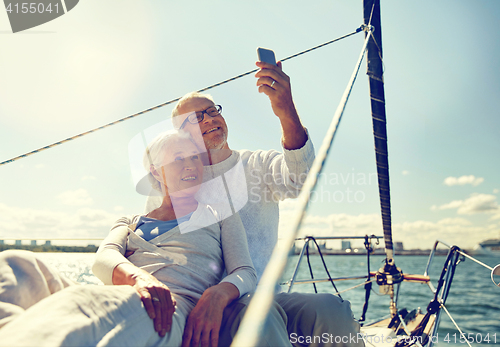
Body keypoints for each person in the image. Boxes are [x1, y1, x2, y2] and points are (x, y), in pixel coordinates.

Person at [144, 61, 364, 347]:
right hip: (200, 306)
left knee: (335, 311)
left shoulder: (257, 164)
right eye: (197, 117)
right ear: (181, 135)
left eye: (213, 111)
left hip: (264, 297)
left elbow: (302, 178)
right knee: (257, 318)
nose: (210, 119)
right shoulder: (171, 184)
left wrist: (286, 110)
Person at [0, 131, 284, 347]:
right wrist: (138, 278)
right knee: (14, 263)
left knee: (88, 303)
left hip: (169, 310)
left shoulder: (221, 215)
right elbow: (103, 259)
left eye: (195, 157)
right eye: (178, 159)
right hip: (129, 290)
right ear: (155, 172)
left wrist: (218, 294)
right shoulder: (130, 222)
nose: (190, 165)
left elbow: (244, 271)